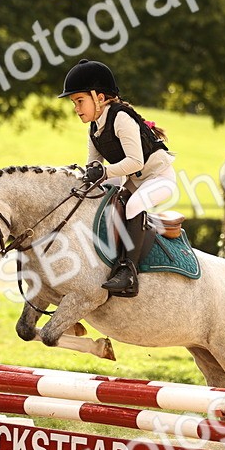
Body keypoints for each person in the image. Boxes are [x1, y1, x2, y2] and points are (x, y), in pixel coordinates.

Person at [60, 58, 177, 297]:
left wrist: (103, 172)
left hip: (159, 179)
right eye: (74, 103)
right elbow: (94, 166)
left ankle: (128, 271)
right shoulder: (94, 127)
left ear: (99, 98)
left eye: (80, 101)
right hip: (133, 181)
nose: (76, 108)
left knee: (133, 205)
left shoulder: (121, 117)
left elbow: (136, 162)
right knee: (99, 197)